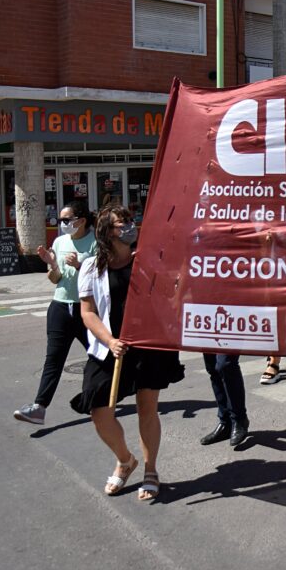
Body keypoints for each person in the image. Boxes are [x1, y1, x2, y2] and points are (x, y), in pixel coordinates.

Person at [72, 206, 184, 502]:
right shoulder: (91, 266)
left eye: (132, 222)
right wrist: (109, 340)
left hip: (147, 345)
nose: (131, 227)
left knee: (147, 409)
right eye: (124, 223)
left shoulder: (147, 261)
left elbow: (171, 294)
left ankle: (150, 470)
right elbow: (87, 312)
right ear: (109, 232)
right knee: (99, 411)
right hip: (110, 347)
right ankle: (125, 460)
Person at [13, 201, 98, 425]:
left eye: (65, 220)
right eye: (60, 220)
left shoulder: (95, 242)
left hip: (86, 308)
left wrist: (81, 265)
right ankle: (39, 407)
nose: (61, 224)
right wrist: (52, 263)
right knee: (54, 359)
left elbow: (102, 278)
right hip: (60, 306)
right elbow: (57, 279)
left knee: (98, 355)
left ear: (81, 221)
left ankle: (99, 398)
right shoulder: (60, 242)